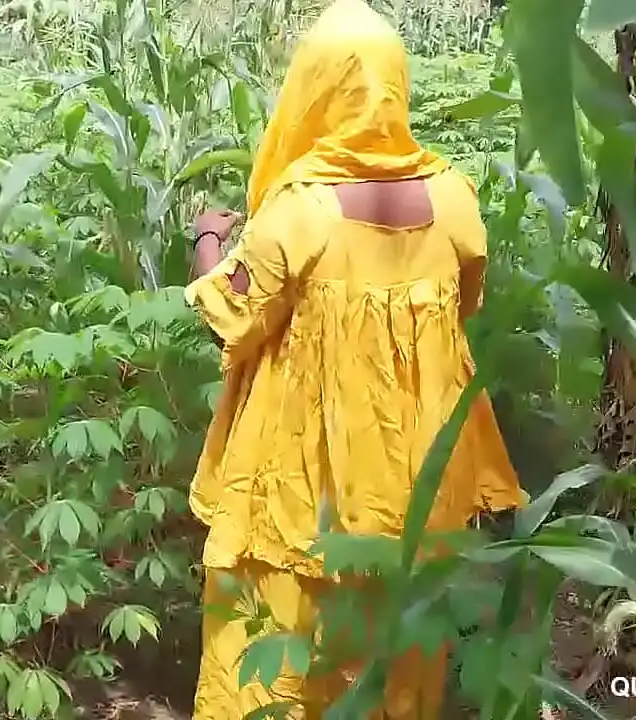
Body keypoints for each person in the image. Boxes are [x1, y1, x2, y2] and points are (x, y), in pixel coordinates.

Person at [182, 0, 524, 718]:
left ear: (315, 88)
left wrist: (208, 241)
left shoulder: (299, 211)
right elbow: (456, 316)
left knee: (270, 640)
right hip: (415, 481)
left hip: (302, 482)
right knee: (391, 645)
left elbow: (233, 320)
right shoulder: (454, 200)